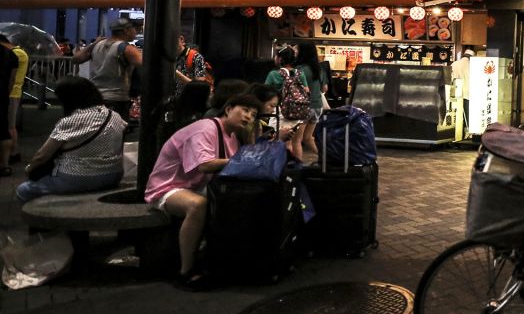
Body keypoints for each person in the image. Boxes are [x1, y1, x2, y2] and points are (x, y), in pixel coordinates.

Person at [143, 92, 261, 290]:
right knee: (197, 205)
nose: (249, 117)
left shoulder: (231, 134)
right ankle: (185, 271)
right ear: (229, 109)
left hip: (196, 185)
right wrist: (244, 160)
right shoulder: (205, 129)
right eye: (245, 110)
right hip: (168, 187)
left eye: (254, 114)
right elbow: (205, 165)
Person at [16, 77, 126, 204]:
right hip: (114, 174)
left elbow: (42, 156)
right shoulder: (115, 115)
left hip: (76, 177)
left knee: (23, 190)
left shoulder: (71, 121)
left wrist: (29, 168)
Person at [71, 17, 143, 120]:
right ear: (126, 31)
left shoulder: (97, 45)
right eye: (134, 29)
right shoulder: (127, 48)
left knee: (98, 129)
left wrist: (94, 44)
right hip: (117, 98)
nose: (135, 32)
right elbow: (145, 64)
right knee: (116, 131)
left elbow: (76, 59)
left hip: (96, 96)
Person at [265, 48, 314, 158]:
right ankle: (297, 169)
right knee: (296, 142)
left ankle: (282, 170)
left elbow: (264, 92)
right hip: (299, 112)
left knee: (282, 143)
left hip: (281, 112)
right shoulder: (299, 73)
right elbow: (307, 91)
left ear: (280, 58)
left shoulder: (273, 74)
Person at [294, 42, 328, 152]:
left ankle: (297, 165)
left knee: (296, 140)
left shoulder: (299, 69)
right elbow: (324, 89)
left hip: (303, 108)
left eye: (297, 50)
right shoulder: (319, 69)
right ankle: (323, 159)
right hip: (317, 106)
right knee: (307, 138)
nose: (296, 53)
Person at [0, 36, 19, 176]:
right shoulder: (11, 54)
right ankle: (5, 165)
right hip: (2, 95)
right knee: (3, 129)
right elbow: (12, 79)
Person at [452, 48, 475, 131]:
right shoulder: (472, 65)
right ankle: (467, 131)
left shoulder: (454, 64)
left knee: (457, 115)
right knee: (467, 115)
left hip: (455, 93)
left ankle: (457, 131)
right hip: (468, 94)